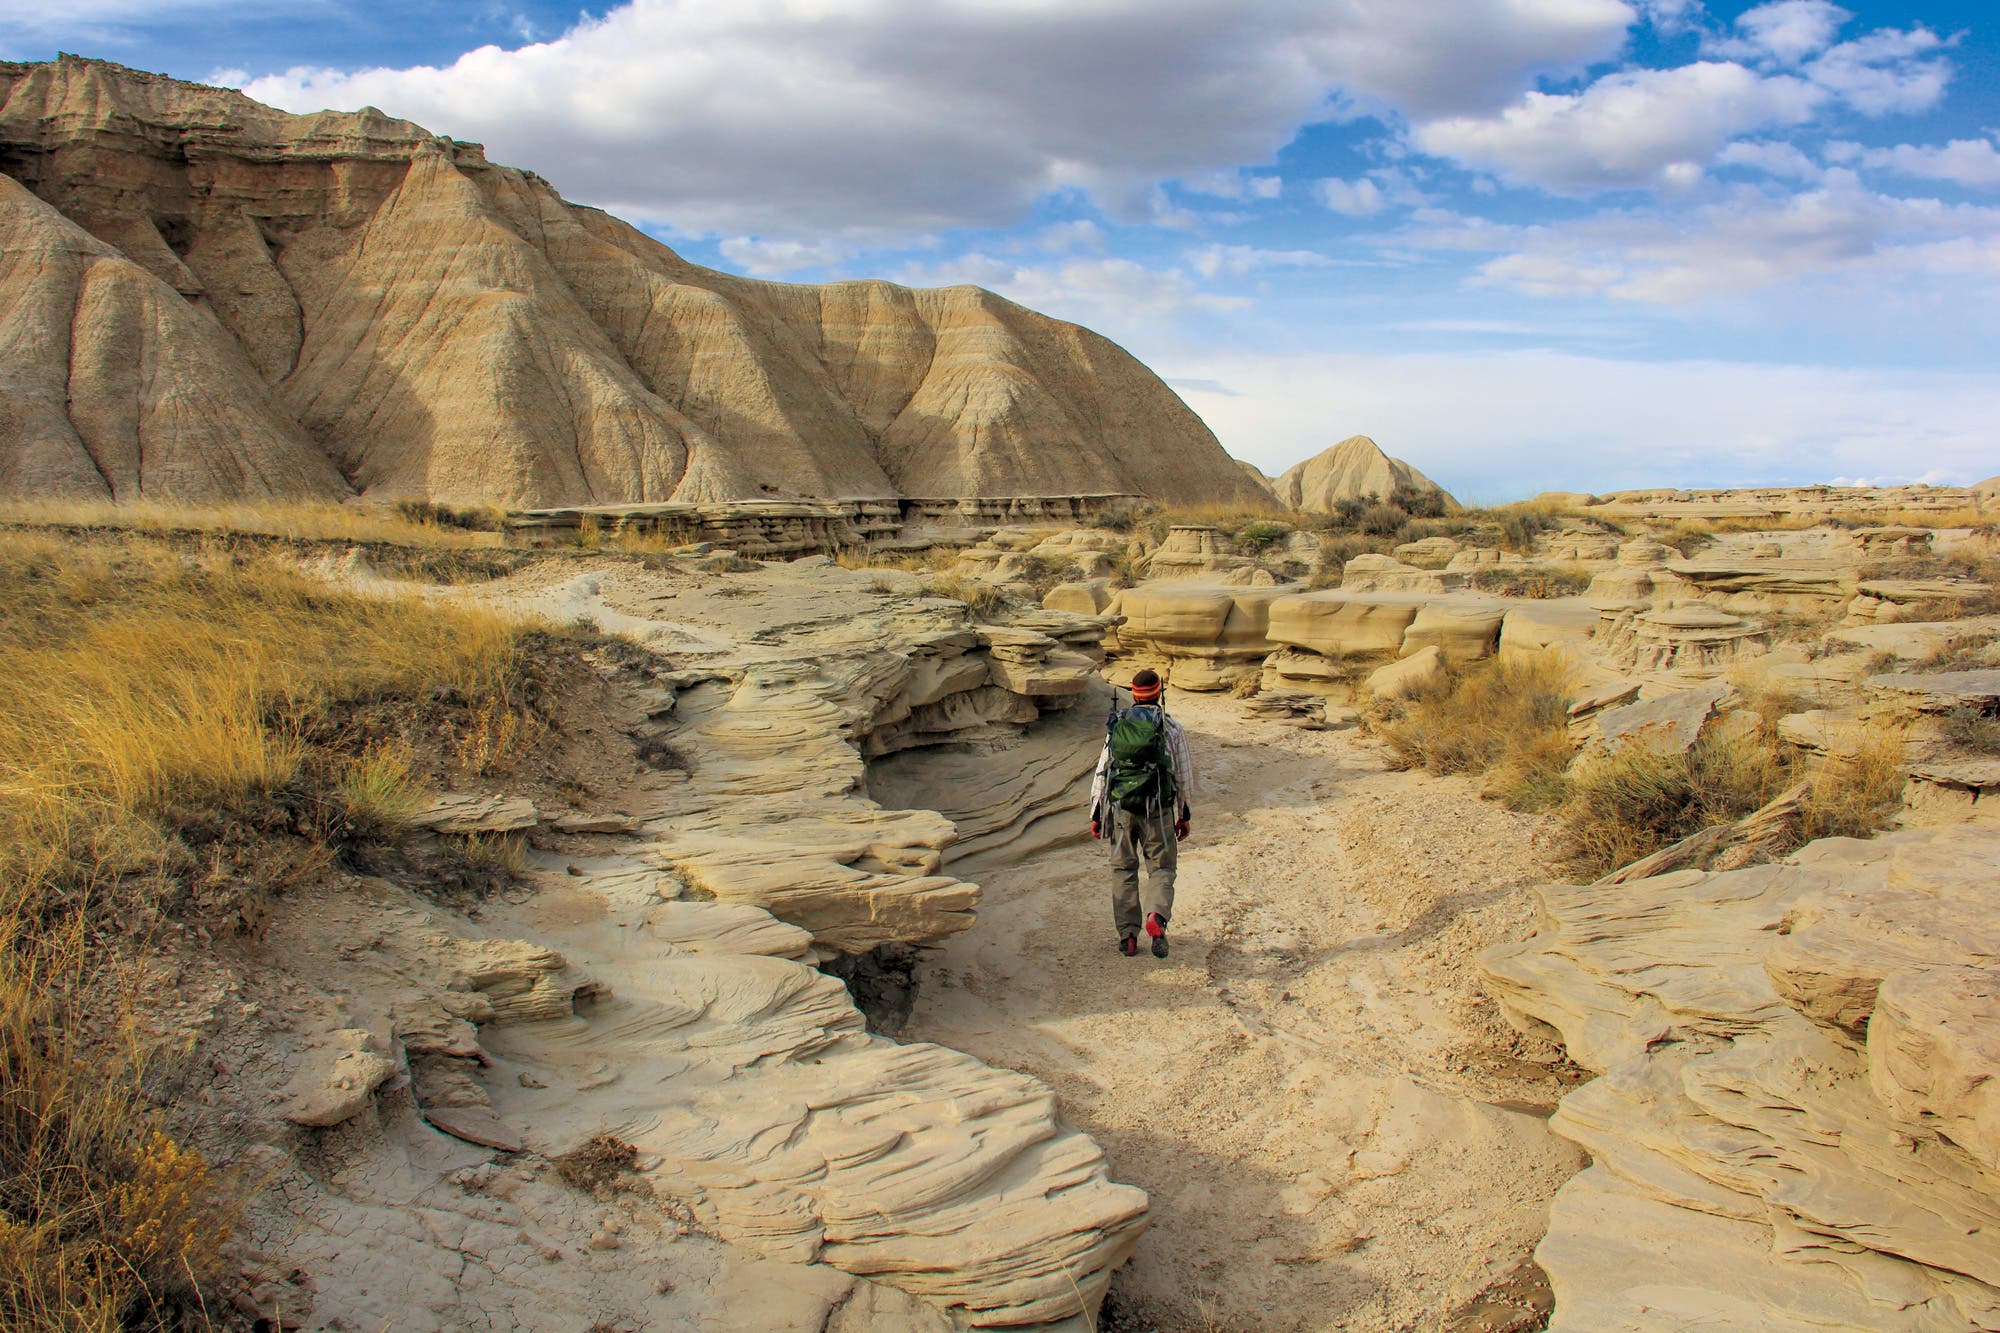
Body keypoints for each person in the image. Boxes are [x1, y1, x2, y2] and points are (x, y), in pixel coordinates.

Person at [1088, 668, 1194, 958]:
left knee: (1123, 869)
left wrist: (1097, 813)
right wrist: (1183, 813)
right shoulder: (1171, 727)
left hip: (1122, 809)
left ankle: (1128, 936)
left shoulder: (1118, 724)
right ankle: (1156, 915)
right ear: (1159, 693)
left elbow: (1103, 770)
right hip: (1157, 808)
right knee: (1162, 868)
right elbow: (1183, 774)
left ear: (1133, 694)